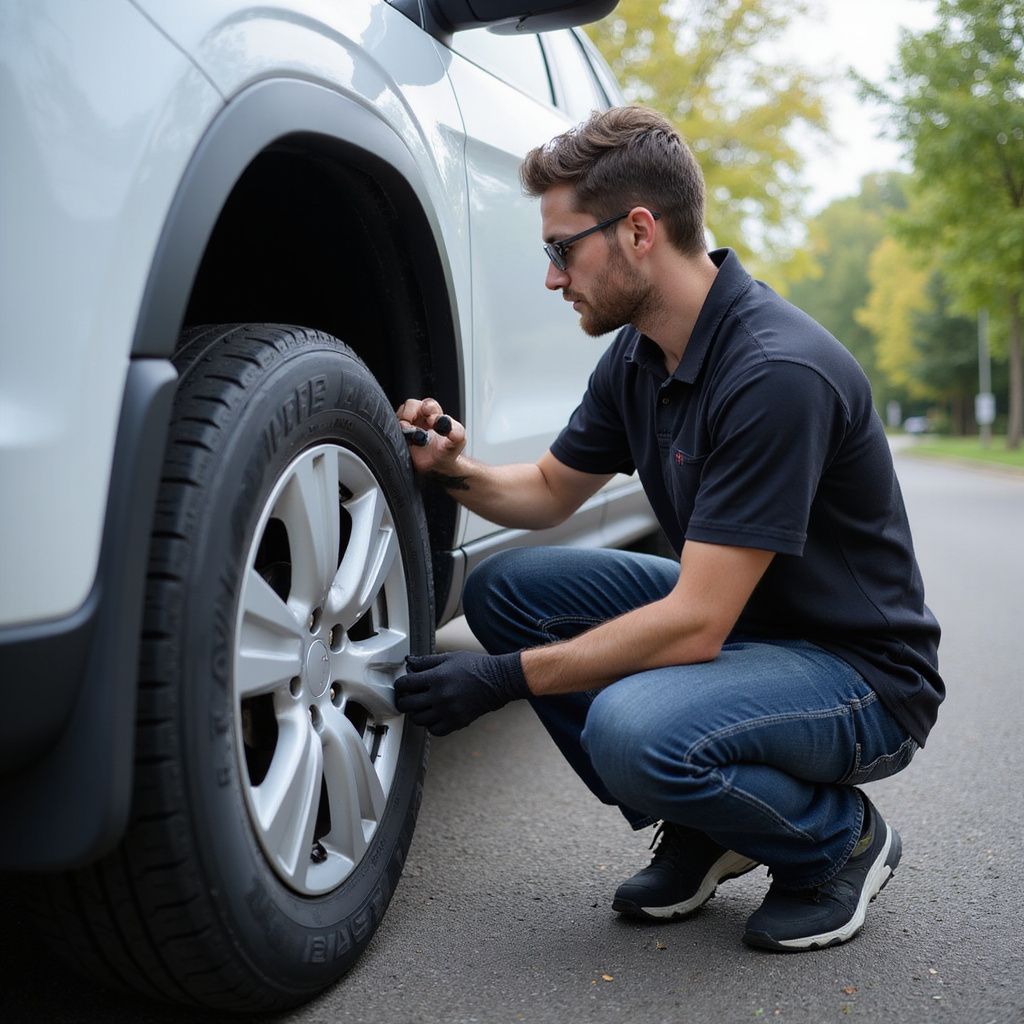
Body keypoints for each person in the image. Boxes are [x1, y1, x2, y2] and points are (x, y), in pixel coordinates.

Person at [393, 106, 943, 952]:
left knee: (631, 729)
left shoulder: (775, 372)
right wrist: (453, 469)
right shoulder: (642, 353)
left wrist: (501, 680)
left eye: (561, 248)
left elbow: (697, 622)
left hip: (860, 676)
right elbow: (545, 491)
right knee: (509, 591)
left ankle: (840, 843)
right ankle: (710, 820)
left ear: (638, 231)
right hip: (750, 629)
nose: (552, 278)